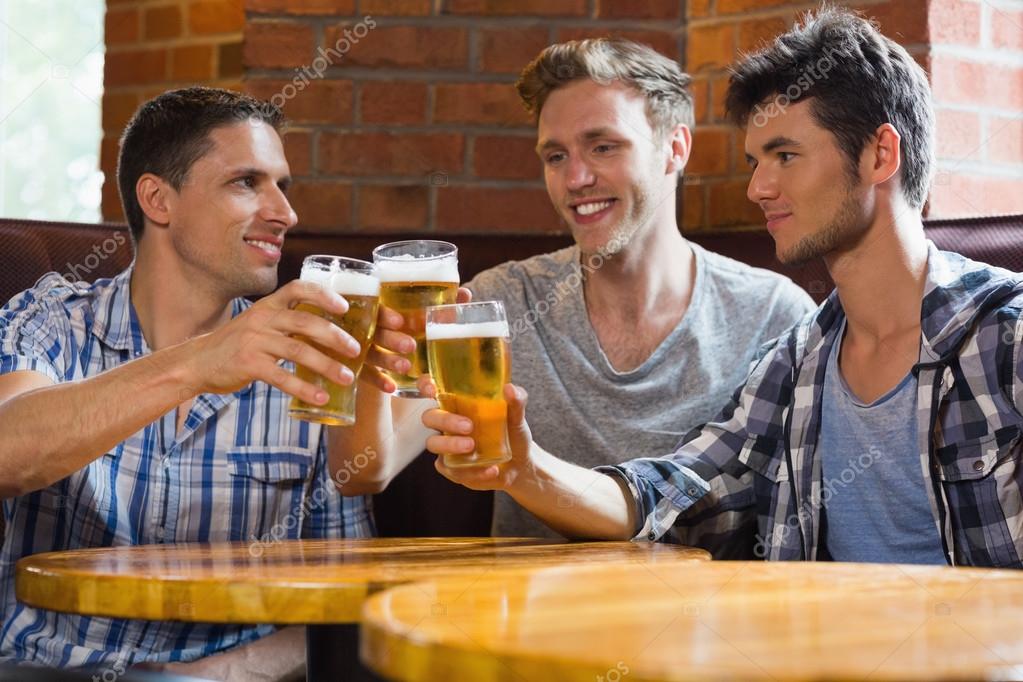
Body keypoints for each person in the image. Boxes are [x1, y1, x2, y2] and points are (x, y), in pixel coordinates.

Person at [421, 5, 1023, 568]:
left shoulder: (1007, 337)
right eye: (755, 162)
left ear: (880, 155)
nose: (758, 189)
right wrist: (523, 468)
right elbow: (673, 495)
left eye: (785, 155)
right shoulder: (797, 361)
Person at [0, 87, 413, 678]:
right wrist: (199, 363)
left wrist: (206, 678)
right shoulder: (53, 322)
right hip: (42, 670)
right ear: (158, 199)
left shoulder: (313, 357)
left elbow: (344, 599)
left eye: (284, 186)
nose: (285, 213)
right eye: (247, 182)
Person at [345, 38, 814, 540]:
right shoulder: (499, 305)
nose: (575, 178)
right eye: (555, 156)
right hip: (529, 614)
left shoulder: (772, 314)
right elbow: (363, 470)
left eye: (603, 146)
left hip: (702, 613)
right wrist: (371, 366)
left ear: (675, 148)